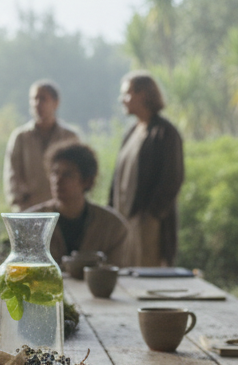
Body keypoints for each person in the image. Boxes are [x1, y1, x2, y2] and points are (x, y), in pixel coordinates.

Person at [109, 71, 184, 266]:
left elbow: (172, 179)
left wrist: (151, 217)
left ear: (143, 95)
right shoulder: (132, 132)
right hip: (125, 222)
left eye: (127, 94)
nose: (122, 100)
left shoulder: (165, 132)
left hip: (150, 226)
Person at [26, 141, 136, 267]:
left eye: (67, 174)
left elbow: (117, 273)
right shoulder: (31, 221)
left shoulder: (113, 227)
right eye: (55, 173)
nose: (58, 180)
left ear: (87, 181)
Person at [4, 80, 80, 211]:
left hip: (63, 210)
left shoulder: (69, 137)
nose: (37, 104)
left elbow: (78, 174)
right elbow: (12, 177)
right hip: (29, 210)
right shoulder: (20, 137)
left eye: (43, 99)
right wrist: (20, 206)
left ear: (56, 103)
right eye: (34, 99)